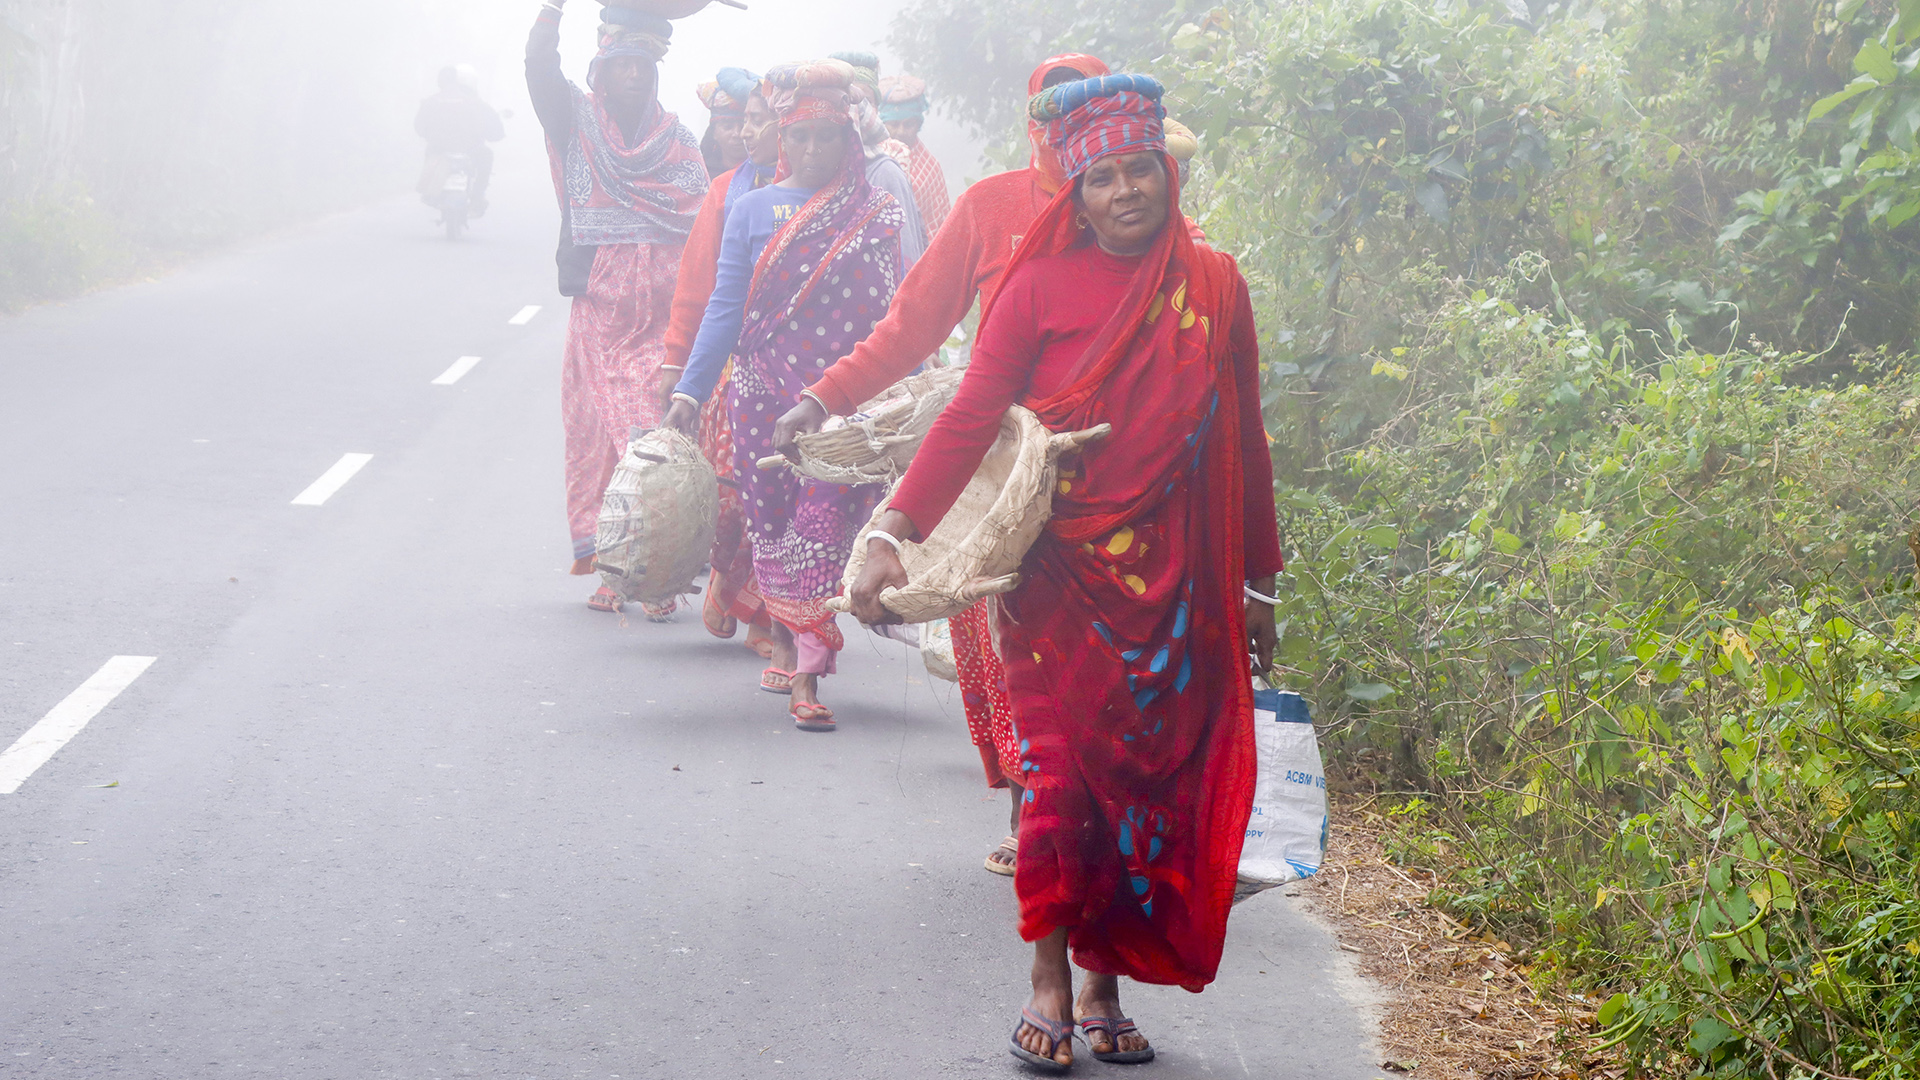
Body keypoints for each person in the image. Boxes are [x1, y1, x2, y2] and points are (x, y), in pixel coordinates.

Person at [847, 74, 1282, 1070]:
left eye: (1142, 171)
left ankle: (1102, 985)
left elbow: (1246, 440)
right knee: (1057, 791)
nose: (1126, 191)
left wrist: (1258, 583)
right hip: (1054, 584)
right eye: (1104, 178)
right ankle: (1046, 979)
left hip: (1176, 594)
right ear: (1075, 194)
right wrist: (891, 529)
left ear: (1168, 177)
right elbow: (969, 416)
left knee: (1142, 795)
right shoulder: (1036, 289)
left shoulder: (1215, 284)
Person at [772, 52, 1110, 876]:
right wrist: (823, 396)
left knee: (1107, 649)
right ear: (1032, 123)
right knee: (1003, 632)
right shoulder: (992, 209)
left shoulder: (1130, 201)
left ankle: (1100, 812)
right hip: (998, 462)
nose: (1068, 142)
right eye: (1050, 118)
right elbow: (913, 325)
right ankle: (1032, 807)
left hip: (1113, 462)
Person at [661, 60, 906, 731]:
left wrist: (909, 386)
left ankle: (808, 672)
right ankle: (792, 630)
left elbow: (896, 314)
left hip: (840, 405)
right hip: (758, 397)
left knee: (822, 530)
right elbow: (725, 310)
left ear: (847, 141)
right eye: (800, 138)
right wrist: (689, 389)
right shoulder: (749, 210)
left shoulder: (875, 214)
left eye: (827, 137)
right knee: (774, 527)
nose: (811, 150)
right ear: (783, 140)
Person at [525, 0, 708, 615]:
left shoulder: (678, 140)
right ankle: (615, 570)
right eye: (621, 63)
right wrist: (551, 12)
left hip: (662, 318)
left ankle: (664, 572)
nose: (632, 75)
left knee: (653, 432)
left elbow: (705, 227)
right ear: (601, 71)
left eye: (642, 66)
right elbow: (540, 75)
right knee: (603, 439)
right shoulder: (574, 123)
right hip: (601, 312)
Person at [663, 67, 779, 657]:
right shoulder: (726, 194)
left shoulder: (830, 197)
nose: (747, 133)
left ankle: (767, 620)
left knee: (789, 495)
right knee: (736, 497)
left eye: (760, 121)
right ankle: (727, 582)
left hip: (806, 375)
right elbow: (701, 289)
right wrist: (680, 371)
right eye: (742, 122)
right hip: (735, 373)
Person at [831, 52, 927, 269]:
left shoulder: (885, 171)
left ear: (874, 111)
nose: (855, 109)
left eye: (864, 101)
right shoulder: (820, 171)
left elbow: (907, 256)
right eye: (844, 101)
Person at [415, 65, 506, 217]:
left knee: (430, 151)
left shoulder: (432, 101)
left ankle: (430, 192)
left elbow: (419, 127)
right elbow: (493, 129)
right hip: (470, 149)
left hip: (439, 148)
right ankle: (477, 199)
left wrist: (431, 136)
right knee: (486, 156)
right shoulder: (475, 103)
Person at [877, 74, 950, 234]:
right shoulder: (872, 160)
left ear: (918, 124)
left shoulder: (930, 168)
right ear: (883, 124)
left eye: (908, 124)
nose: (901, 131)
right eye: (894, 124)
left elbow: (941, 225)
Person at [695, 71, 750, 176]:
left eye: (743, 125)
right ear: (714, 133)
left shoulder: (767, 174)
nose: (737, 134)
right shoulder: (701, 175)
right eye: (727, 127)